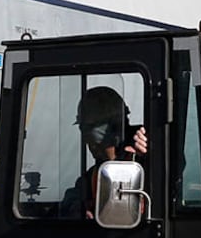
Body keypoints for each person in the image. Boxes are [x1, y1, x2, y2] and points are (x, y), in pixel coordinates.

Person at [60, 85, 149, 218]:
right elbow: (72, 198)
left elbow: (173, 174)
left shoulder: (145, 161)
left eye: (92, 139)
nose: (89, 145)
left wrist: (150, 156)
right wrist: (77, 208)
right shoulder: (95, 174)